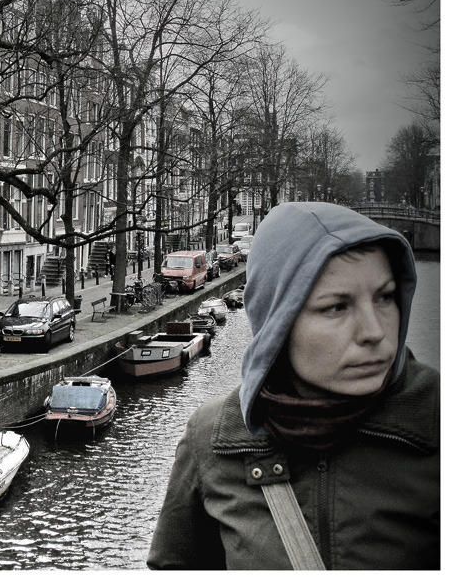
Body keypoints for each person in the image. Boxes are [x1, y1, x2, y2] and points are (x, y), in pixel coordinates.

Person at [147, 202, 439, 570]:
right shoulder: (211, 440)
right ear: (277, 324)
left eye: (385, 297)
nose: (375, 332)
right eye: (336, 307)